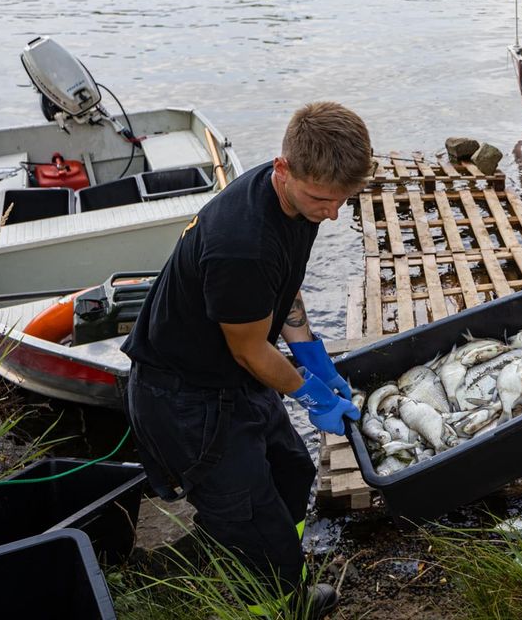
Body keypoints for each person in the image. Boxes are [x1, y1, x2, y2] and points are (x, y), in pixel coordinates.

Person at [122, 102, 372, 619]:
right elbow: (250, 349)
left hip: (232, 377)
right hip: (185, 397)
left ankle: (283, 571)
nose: (332, 213)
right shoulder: (243, 244)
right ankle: (278, 605)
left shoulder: (296, 197)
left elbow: (283, 286)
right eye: (323, 200)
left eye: (344, 200)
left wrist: (309, 351)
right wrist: (310, 392)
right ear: (283, 170)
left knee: (291, 471)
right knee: (255, 528)